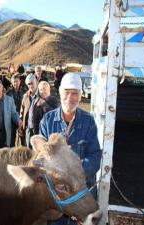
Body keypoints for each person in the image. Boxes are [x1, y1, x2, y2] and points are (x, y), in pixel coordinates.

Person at [39, 73, 101, 225]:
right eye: (67, 92)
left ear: (80, 96)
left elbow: (95, 156)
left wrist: (75, 174)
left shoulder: (88, 121)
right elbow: (40, 158)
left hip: (81, 195)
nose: (70, 97)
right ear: (60, 93)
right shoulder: (48, 120)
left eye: (75, 93)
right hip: (58, 197)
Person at [19, 73, 39, 147]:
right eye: (28, 84)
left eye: (32, 83)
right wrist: (21, 125)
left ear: (36, 82)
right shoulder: (25, 97)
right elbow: (22, 112)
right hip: (27, 129)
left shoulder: (42, 95)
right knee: (28, 149)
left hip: (38, 129)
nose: (30, 86)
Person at [6, 74, 26, 146]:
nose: (15, 83)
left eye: (17, 81)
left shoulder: (24, 92)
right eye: (14, 82)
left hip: (22, 118)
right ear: (11, 82)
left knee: (23, 140)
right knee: (11, 140)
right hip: (11, 119)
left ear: (20, 82)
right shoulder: (8, 93)